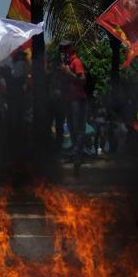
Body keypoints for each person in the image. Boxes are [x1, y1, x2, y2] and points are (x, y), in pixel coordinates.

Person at [59, 41, 87, 176]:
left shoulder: (76, 62)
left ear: (70, 48)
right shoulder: (65, 63)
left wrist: (68, 72)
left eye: (65, 48)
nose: (63, 50)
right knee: (72, 128)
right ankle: (76, 154)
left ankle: (78, 155)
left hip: (77, 100)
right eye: (62, 48)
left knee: (78, 129)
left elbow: (82, 80)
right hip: (68, 100)